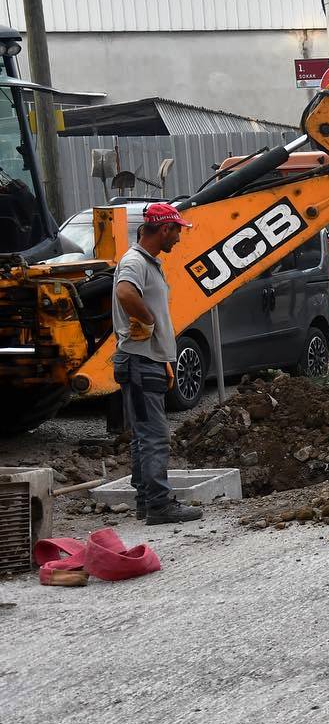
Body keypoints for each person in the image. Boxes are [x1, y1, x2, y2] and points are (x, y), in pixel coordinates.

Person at [112, 202, 202, 525]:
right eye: (177, 230)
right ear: (164, 229)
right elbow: (125, 293)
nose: (178, 237)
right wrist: (146, 320)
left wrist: (163, 358)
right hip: (138, 362)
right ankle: (159, 504)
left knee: (142, 434)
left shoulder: (149, 263)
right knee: (154, 435)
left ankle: (145, 501)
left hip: (145, 361)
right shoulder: (135, 262)